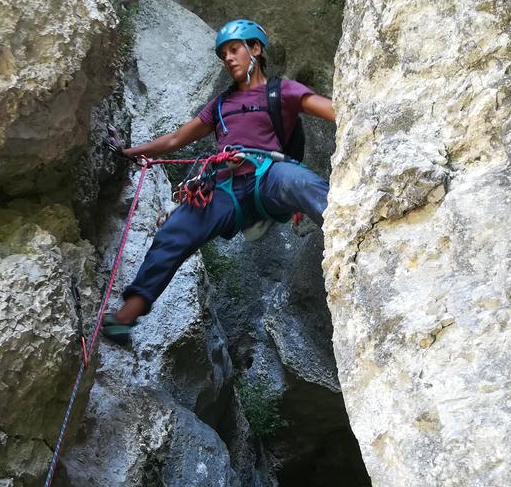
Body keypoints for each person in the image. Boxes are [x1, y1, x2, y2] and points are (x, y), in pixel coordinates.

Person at [103, 19, 336, 344]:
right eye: (223, 53)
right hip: (224, 185)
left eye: (234, 49)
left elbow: (334, 110)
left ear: (255, 49)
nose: (228, 58)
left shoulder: (281, 91)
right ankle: (123, 320)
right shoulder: (221, 105)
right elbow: (175, 140)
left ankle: (349, 234)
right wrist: (130, 151)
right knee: (174, 231)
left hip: (266, 174)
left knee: (298, 180)